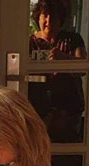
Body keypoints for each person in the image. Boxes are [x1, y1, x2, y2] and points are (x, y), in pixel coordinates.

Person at [28, 0, 86, 143]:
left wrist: (64, 59)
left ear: (60, 19)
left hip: (68, 111)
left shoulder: (72, 39)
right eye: (44, 16)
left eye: (53, 16)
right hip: (38, 109)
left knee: (67, 153)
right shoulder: (30, 42)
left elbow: (84, 67)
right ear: (38, 19)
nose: (48, 21)